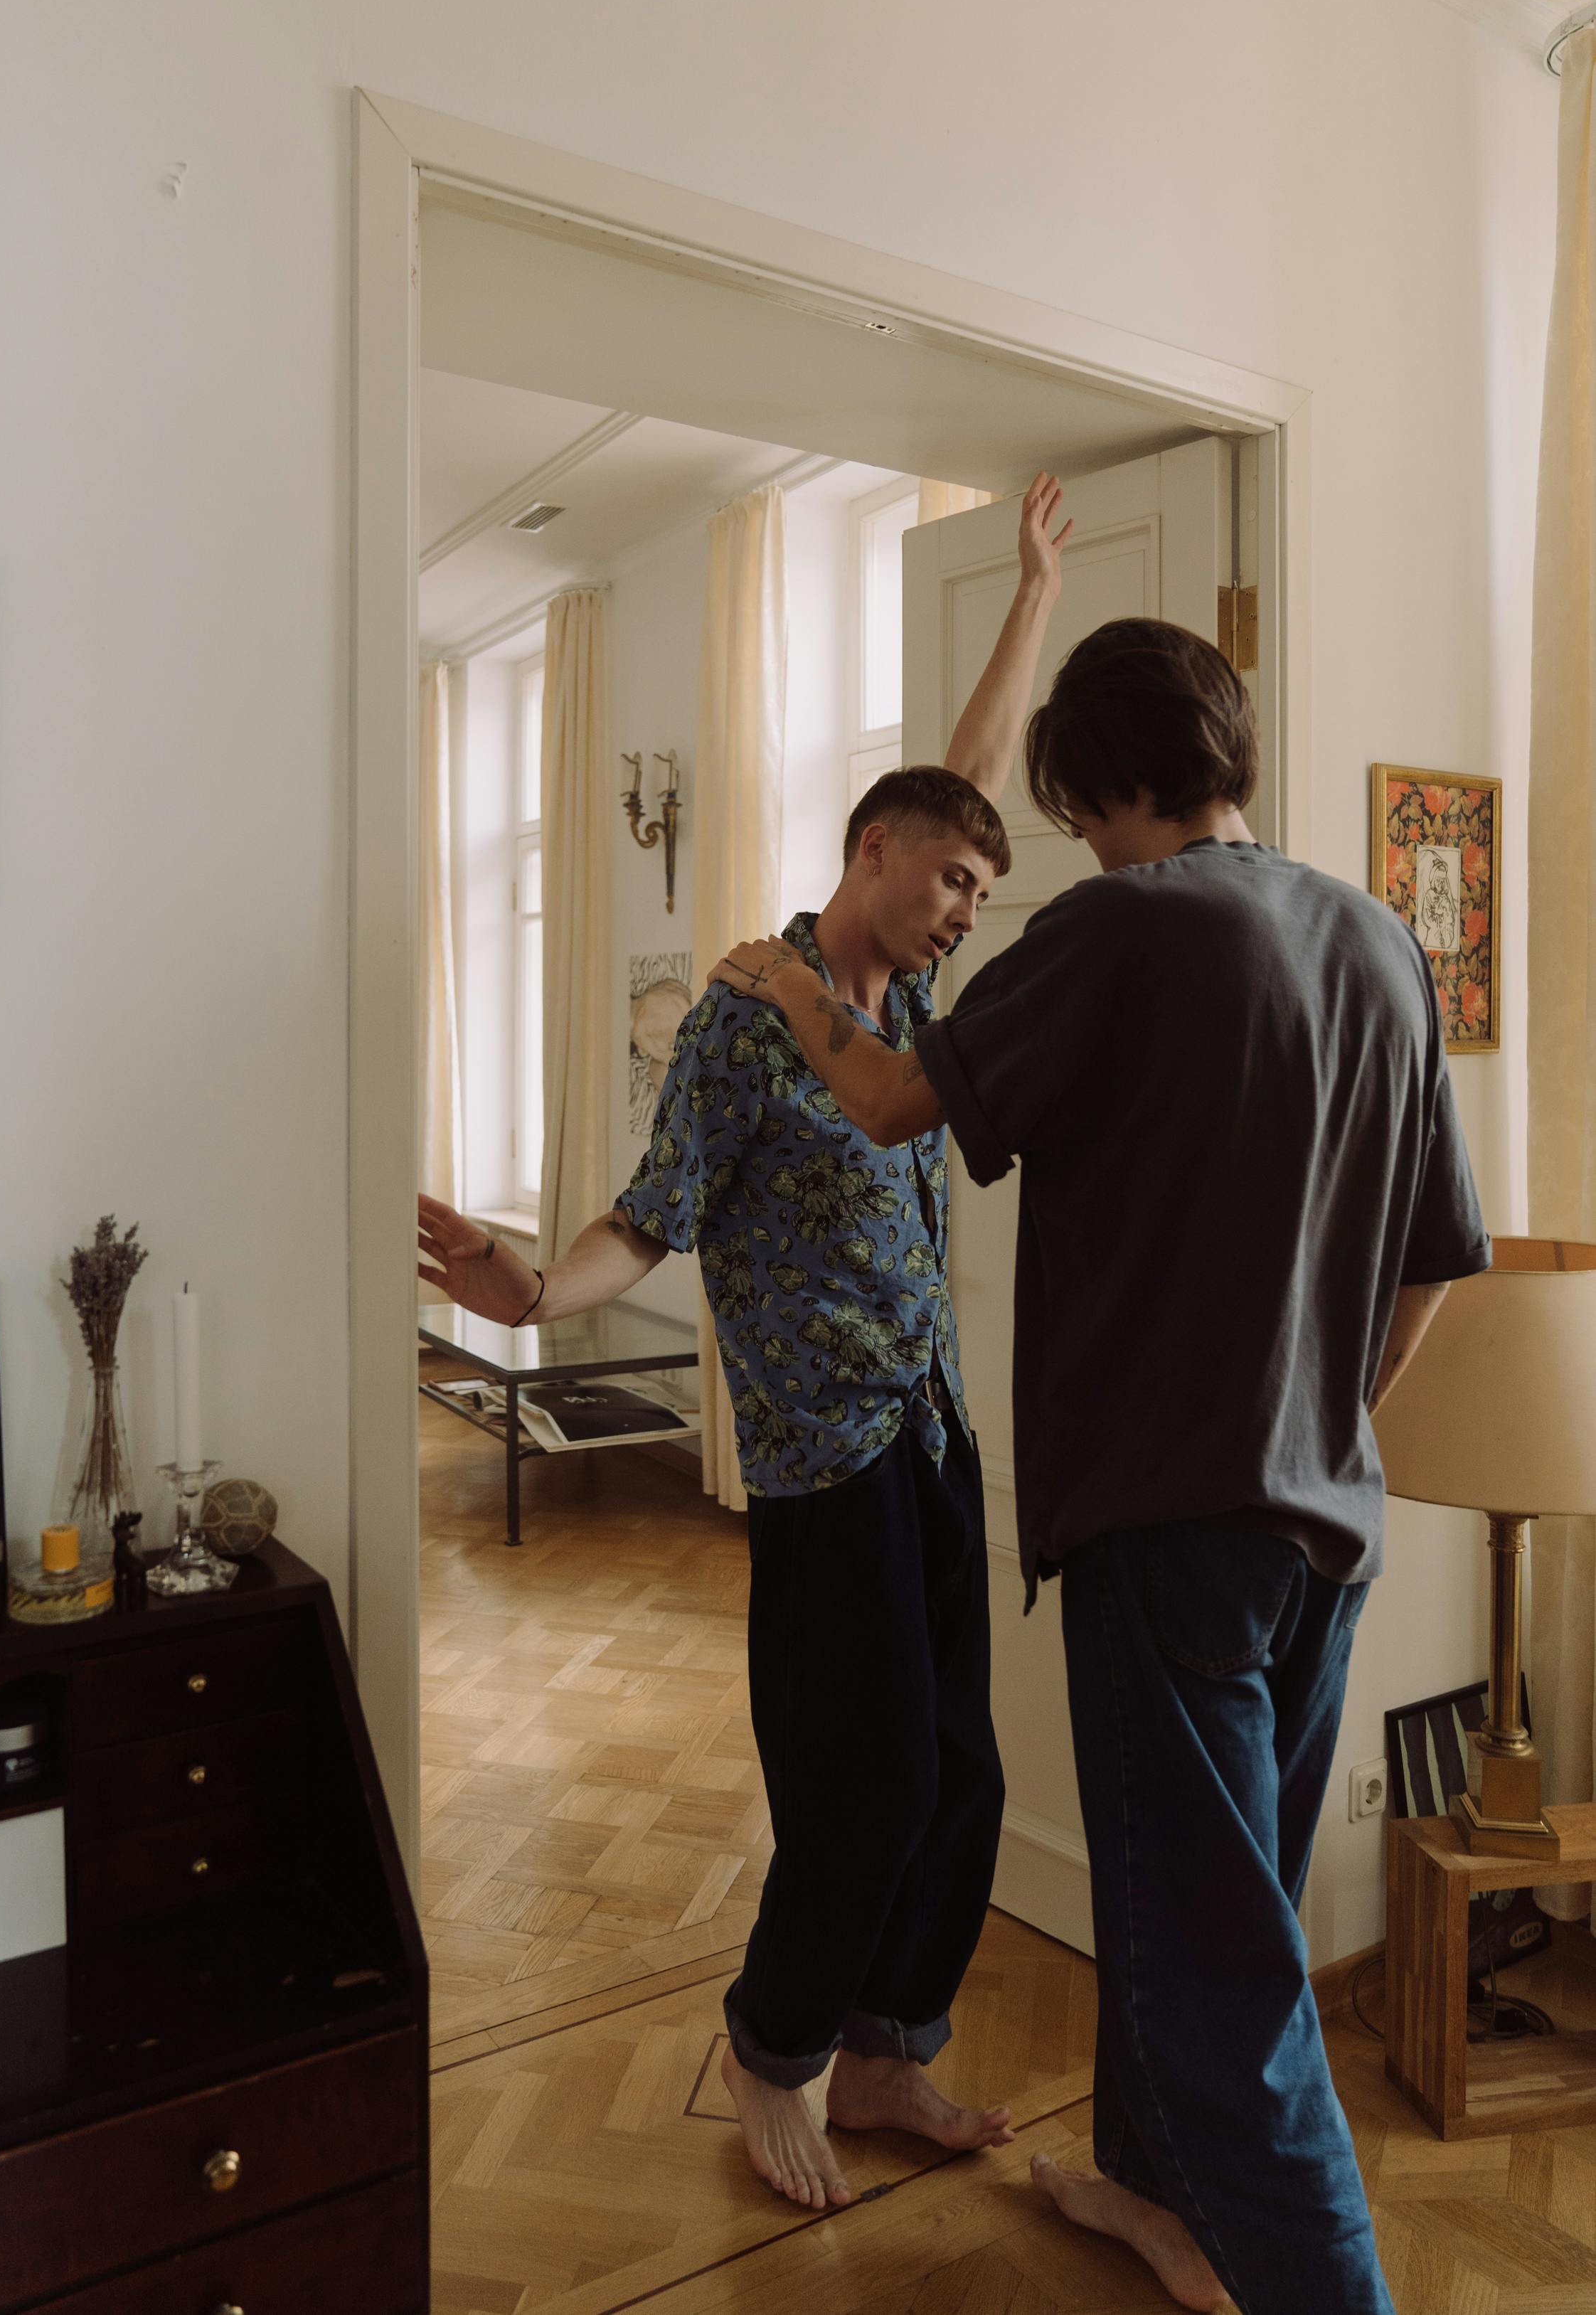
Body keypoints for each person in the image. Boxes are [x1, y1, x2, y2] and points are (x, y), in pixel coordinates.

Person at [709, 617, 1489, 2315]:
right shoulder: (1378, 937)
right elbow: (1437, 1257)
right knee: (1211, 1907)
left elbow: (894, 1098)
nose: (1073, 841)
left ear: (1112, 782)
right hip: (1327, 1530)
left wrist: (787, 986)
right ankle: (1153, 2190)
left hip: (1169, 1529)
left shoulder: (1123, 926)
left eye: (1072, 811)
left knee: (1216, 1969)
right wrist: (1329, 1407)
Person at [419, 472, 1075, 2215]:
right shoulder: (740, 1021)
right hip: (818, 1455)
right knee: (865, 1782)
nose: (964, 906)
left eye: (977, 888)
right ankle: (771, 2048)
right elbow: (653, 1213)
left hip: (930, 1428)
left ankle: (889, 2050)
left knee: (963, 1772)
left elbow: (960, 784)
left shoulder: (904, 1000)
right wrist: (526, 1296)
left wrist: (1030, 593)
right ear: (869, 856)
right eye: (949, 880)